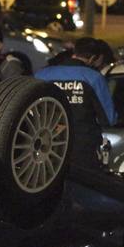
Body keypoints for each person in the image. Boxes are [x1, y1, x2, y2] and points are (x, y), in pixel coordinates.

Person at [35, 37, 117, 167]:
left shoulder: (42, 75)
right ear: (93, 58)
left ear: (75, 51)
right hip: (81, 146)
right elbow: (109, 118)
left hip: (45, 145)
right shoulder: (93, 78)